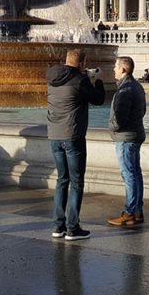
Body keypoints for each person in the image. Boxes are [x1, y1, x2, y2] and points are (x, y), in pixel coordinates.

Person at [46, 49, 105, 241]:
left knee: (61, 180)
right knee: (77, 181)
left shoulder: (52, 79)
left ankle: (58, 226)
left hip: (54, 136)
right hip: (73, 136)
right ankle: (73, 228)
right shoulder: (80, 80)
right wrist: (98, 80)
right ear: (81, 63)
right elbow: (98, 99)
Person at [107, 56, 146, 227]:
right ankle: (137, 211)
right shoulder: (137, 86)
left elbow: (119, 118)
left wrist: (113, 128)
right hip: (135, 134)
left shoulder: (124, 90)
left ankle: (129, 212)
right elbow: (143, 110)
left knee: (129, 175)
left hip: (125, 137)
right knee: (135, 174)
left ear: (123, 69)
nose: (114, 70)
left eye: (116, 67)